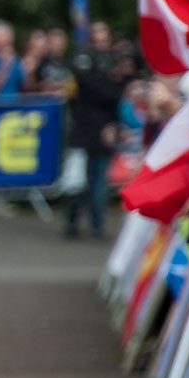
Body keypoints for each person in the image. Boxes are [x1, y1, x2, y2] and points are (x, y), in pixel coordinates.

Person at [64, 22, 129, 238]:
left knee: (99, 179)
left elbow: (120, 90)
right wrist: (110, 84)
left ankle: (97, 224)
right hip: (83, 128)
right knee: (77, 181)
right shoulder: (84, 60)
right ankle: (72, 222)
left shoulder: (113, 61)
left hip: (105, 128)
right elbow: (91, 86)